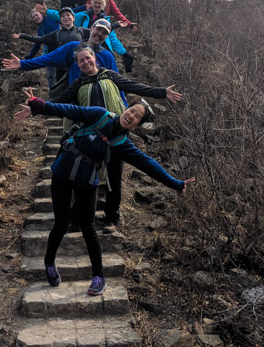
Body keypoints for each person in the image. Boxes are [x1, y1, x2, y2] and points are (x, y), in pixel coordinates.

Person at [14, 88, 195, 295]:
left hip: (87, 180)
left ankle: (99, 276)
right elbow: (69, 109)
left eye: (137, 117)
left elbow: (148, 164)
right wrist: (39, 106)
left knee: (88, 227)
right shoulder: (99, 114)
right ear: (126, 108)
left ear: (136, 126)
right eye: (132, 111)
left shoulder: (123, 144)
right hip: (63, 172)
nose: (131, 116)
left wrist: (175, 183)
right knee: (62, 222)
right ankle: (49, 262)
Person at [53, 44, 182, 230]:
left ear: (94, 58)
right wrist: (34, 105)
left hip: (117, 134)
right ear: (77, 64)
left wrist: (162, 92)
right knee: (81, 177)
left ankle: (111, 218)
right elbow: (58, 103)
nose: (85, 62)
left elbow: (136, 87)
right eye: (81, 60)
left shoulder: (109, 75)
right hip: (91, 139)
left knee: (114, 178)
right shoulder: (78, 84)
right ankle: (76, 217)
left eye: (88, 58)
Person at [2, 18, 118, 89]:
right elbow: (48, 58)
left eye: (104, 33)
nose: (99, 34)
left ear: (106, 37)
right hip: (75, 102)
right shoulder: (73, 47)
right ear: (91, 29)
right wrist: (23, 64)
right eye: (98, 29)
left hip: (100, 106)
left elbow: (116, 83)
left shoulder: (107, 56)